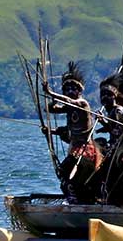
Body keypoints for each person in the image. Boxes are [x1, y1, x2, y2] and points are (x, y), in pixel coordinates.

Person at [42, 62, 101, 203]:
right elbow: (49, 109)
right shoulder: (68, 107)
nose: (69, 92)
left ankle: (76, 195)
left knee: (70, 173)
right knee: (62, 173)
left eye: (73, 89)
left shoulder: (83, 103)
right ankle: (74, 197)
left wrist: (51, 93)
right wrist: (49, 131)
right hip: (74, 148)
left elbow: (68, 101)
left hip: (85, 149)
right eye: (66, 89)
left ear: (79, 91)